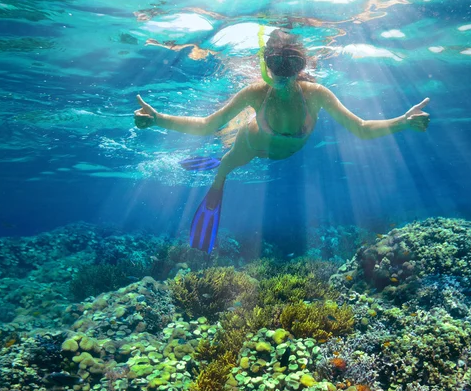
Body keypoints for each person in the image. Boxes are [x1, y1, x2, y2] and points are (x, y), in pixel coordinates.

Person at [134, 29, 430, 253]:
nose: (283, 73)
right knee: (227, 165)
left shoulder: (316, 93)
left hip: (274, 148)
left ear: (301, 66)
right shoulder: (255, 92)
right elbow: (207, 124)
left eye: (291, 64)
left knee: (229, 153)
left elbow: (362, 128)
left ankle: (218, 165)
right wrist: (158, 119)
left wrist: (402, 121)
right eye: (278, 63)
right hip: (251, 146)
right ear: (267, 64)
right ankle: (216, 183)